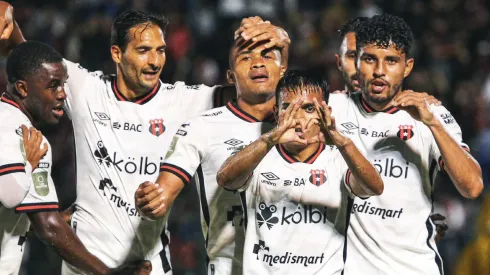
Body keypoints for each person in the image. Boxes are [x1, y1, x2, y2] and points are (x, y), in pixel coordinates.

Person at [0, 3, 290, 274]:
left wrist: (276, 41)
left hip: (149, 266)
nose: (155, 61)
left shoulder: (184, 101)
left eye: (160, 50)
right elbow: (31, 61)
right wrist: (7, 18)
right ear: (117, 53)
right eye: (143, 50)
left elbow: (254, 97)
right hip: (84, 265)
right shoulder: (86, 89)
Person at [328, 14, 483, 274]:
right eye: (369, 59)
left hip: (414, 267)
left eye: (391, 61)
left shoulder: (432, 114)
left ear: (407, 67)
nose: (379, 71)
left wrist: (432, 124)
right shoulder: (335, 109)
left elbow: (473, 187)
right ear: (356, 62)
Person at [134, 27, 288, 275]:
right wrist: (153, 199)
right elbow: (165, 190)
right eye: (245, 58)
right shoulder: (202, 127)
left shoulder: (309, 122)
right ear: (230, 76)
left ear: (283, 70)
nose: (257, 63)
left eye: (267, 56)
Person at [0, 41, 151, 275]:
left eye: (63, 84)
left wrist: (59, 217)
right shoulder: (22, 134)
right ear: (22, 88)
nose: (62, 94)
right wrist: (108, 273)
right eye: (53, 86)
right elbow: (47, 225)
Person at [215, 70, 384, 274]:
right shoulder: (259, 156)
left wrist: (341, 141)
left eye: (309, 108)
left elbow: (374, 187)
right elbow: (225, 179)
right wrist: (268, 140)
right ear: (277, 113)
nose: (298, 118)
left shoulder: (340, 158)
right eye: (288, 108)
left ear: (325, 112)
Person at [334, 17, 368, 94]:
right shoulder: (329, 104)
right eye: (352, 56)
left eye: (368, 58)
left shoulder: (399, 105)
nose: (359, 67)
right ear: (339, 62)